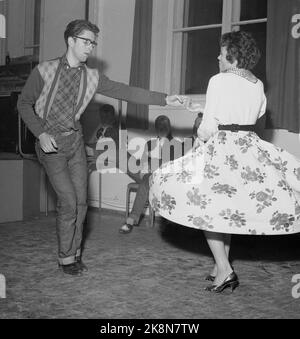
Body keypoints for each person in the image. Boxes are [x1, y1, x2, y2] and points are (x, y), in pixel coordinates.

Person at [17, 19, 187, 276]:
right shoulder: (44, 71)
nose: (90, 47)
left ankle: (74, 255)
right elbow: (23, 104)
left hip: (73, 142)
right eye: (86, 41)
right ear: (71, 40)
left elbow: (126, 91)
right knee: (69, 201)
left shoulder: (92, 76)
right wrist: (40, 134)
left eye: (93, 43)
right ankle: (65, 258)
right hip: (50, 146)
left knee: (82, 202)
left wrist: (165, 99)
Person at [149, 31, 300, 293]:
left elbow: (209, 126)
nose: (218, 56)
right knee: (226, 211)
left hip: (222, 147)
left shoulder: (218, 80)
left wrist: (199, 140)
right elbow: (257, 112)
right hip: (248, 146)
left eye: (222, 52)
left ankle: (225, 269)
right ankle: (221, 266)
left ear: (232, 55)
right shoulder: (257, 84)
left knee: (208, 210)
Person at [119, 115, 183, 234]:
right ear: (156, 128)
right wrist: (144, 170)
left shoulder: (177, 145)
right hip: (147, 175)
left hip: (164, 178)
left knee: (146, 180)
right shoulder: (149, 144)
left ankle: (130, 221)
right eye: (159, 125)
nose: (162, 128)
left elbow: (174, 167)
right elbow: (143, 162)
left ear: (169, 128)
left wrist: (154, 166)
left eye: (164, 126)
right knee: (126, 161)